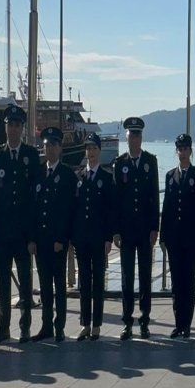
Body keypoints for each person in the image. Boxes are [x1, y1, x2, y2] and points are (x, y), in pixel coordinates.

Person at [0, 105, 40, 344]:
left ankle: (25, 326)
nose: (13, 129)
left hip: (24, 231)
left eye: (17, 125)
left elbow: (36, 197)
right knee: (4, 281)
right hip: (2, 230)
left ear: (22, 128)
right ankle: (3, 327)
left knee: (25, 282)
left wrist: (33, 234)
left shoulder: (30, 155)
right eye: (10, 124)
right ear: (5, 127)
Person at [112, 116, 160, 340]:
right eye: (131, 135)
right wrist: (116, 230)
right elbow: (117, 200)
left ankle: (144, 321)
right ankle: (127, 322)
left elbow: (154, 197)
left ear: (142, 137)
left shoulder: (151, 161)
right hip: (126, 230)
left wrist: (154, 228)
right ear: (126, 137)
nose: (134, 139)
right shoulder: (119, 163)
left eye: (138, 134)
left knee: (144, 277)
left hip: (144, 231)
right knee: (126, 279)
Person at [31, 127, 75, 342]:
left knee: (59, 285)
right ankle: (46, 325)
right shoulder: (38, 172)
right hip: (41, 239)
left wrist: (62, 238)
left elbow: (68, 210)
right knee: (45, 285)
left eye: (53, 145)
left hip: (57, 240)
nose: (49, 149)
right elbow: (33, 210)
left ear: (60, 148)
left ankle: (60, 326)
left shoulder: (66, 175)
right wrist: (32, 239)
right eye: (46, 145)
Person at [162, 133, 195, 339]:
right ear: (176, 151)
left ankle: (187, 324)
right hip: (173, 238)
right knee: (176, 282)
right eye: (179, 148)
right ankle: (177, 323)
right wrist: (163, 236)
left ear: (190, 151)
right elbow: (167, 206)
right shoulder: (170, 176)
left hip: (190, 238)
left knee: (188, 281)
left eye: (186, 148)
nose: (182, 152)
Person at [72, 132, 113, 341]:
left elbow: (109, 211)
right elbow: (74, 210)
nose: (91, 152)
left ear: (99, 151)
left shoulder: (106, 178)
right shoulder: (79, 177)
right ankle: (84, 323)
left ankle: (96, 324)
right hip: (81, 239)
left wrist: (108, 238)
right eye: (88, 148)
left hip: (98, 239)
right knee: (84, 283)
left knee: (97, 282)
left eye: (94, 148)